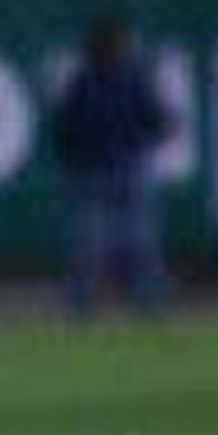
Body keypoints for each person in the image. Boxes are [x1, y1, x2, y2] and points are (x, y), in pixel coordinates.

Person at [50, 16, 170, 314]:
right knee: (111, 242)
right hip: (108, 168)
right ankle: (134, 302)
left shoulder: (89, 81)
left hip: (109, 168)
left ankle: (127, 302)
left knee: (114, 242)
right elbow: (159, 122)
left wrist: (78, 154)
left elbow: (62, 129)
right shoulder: (95, 82)